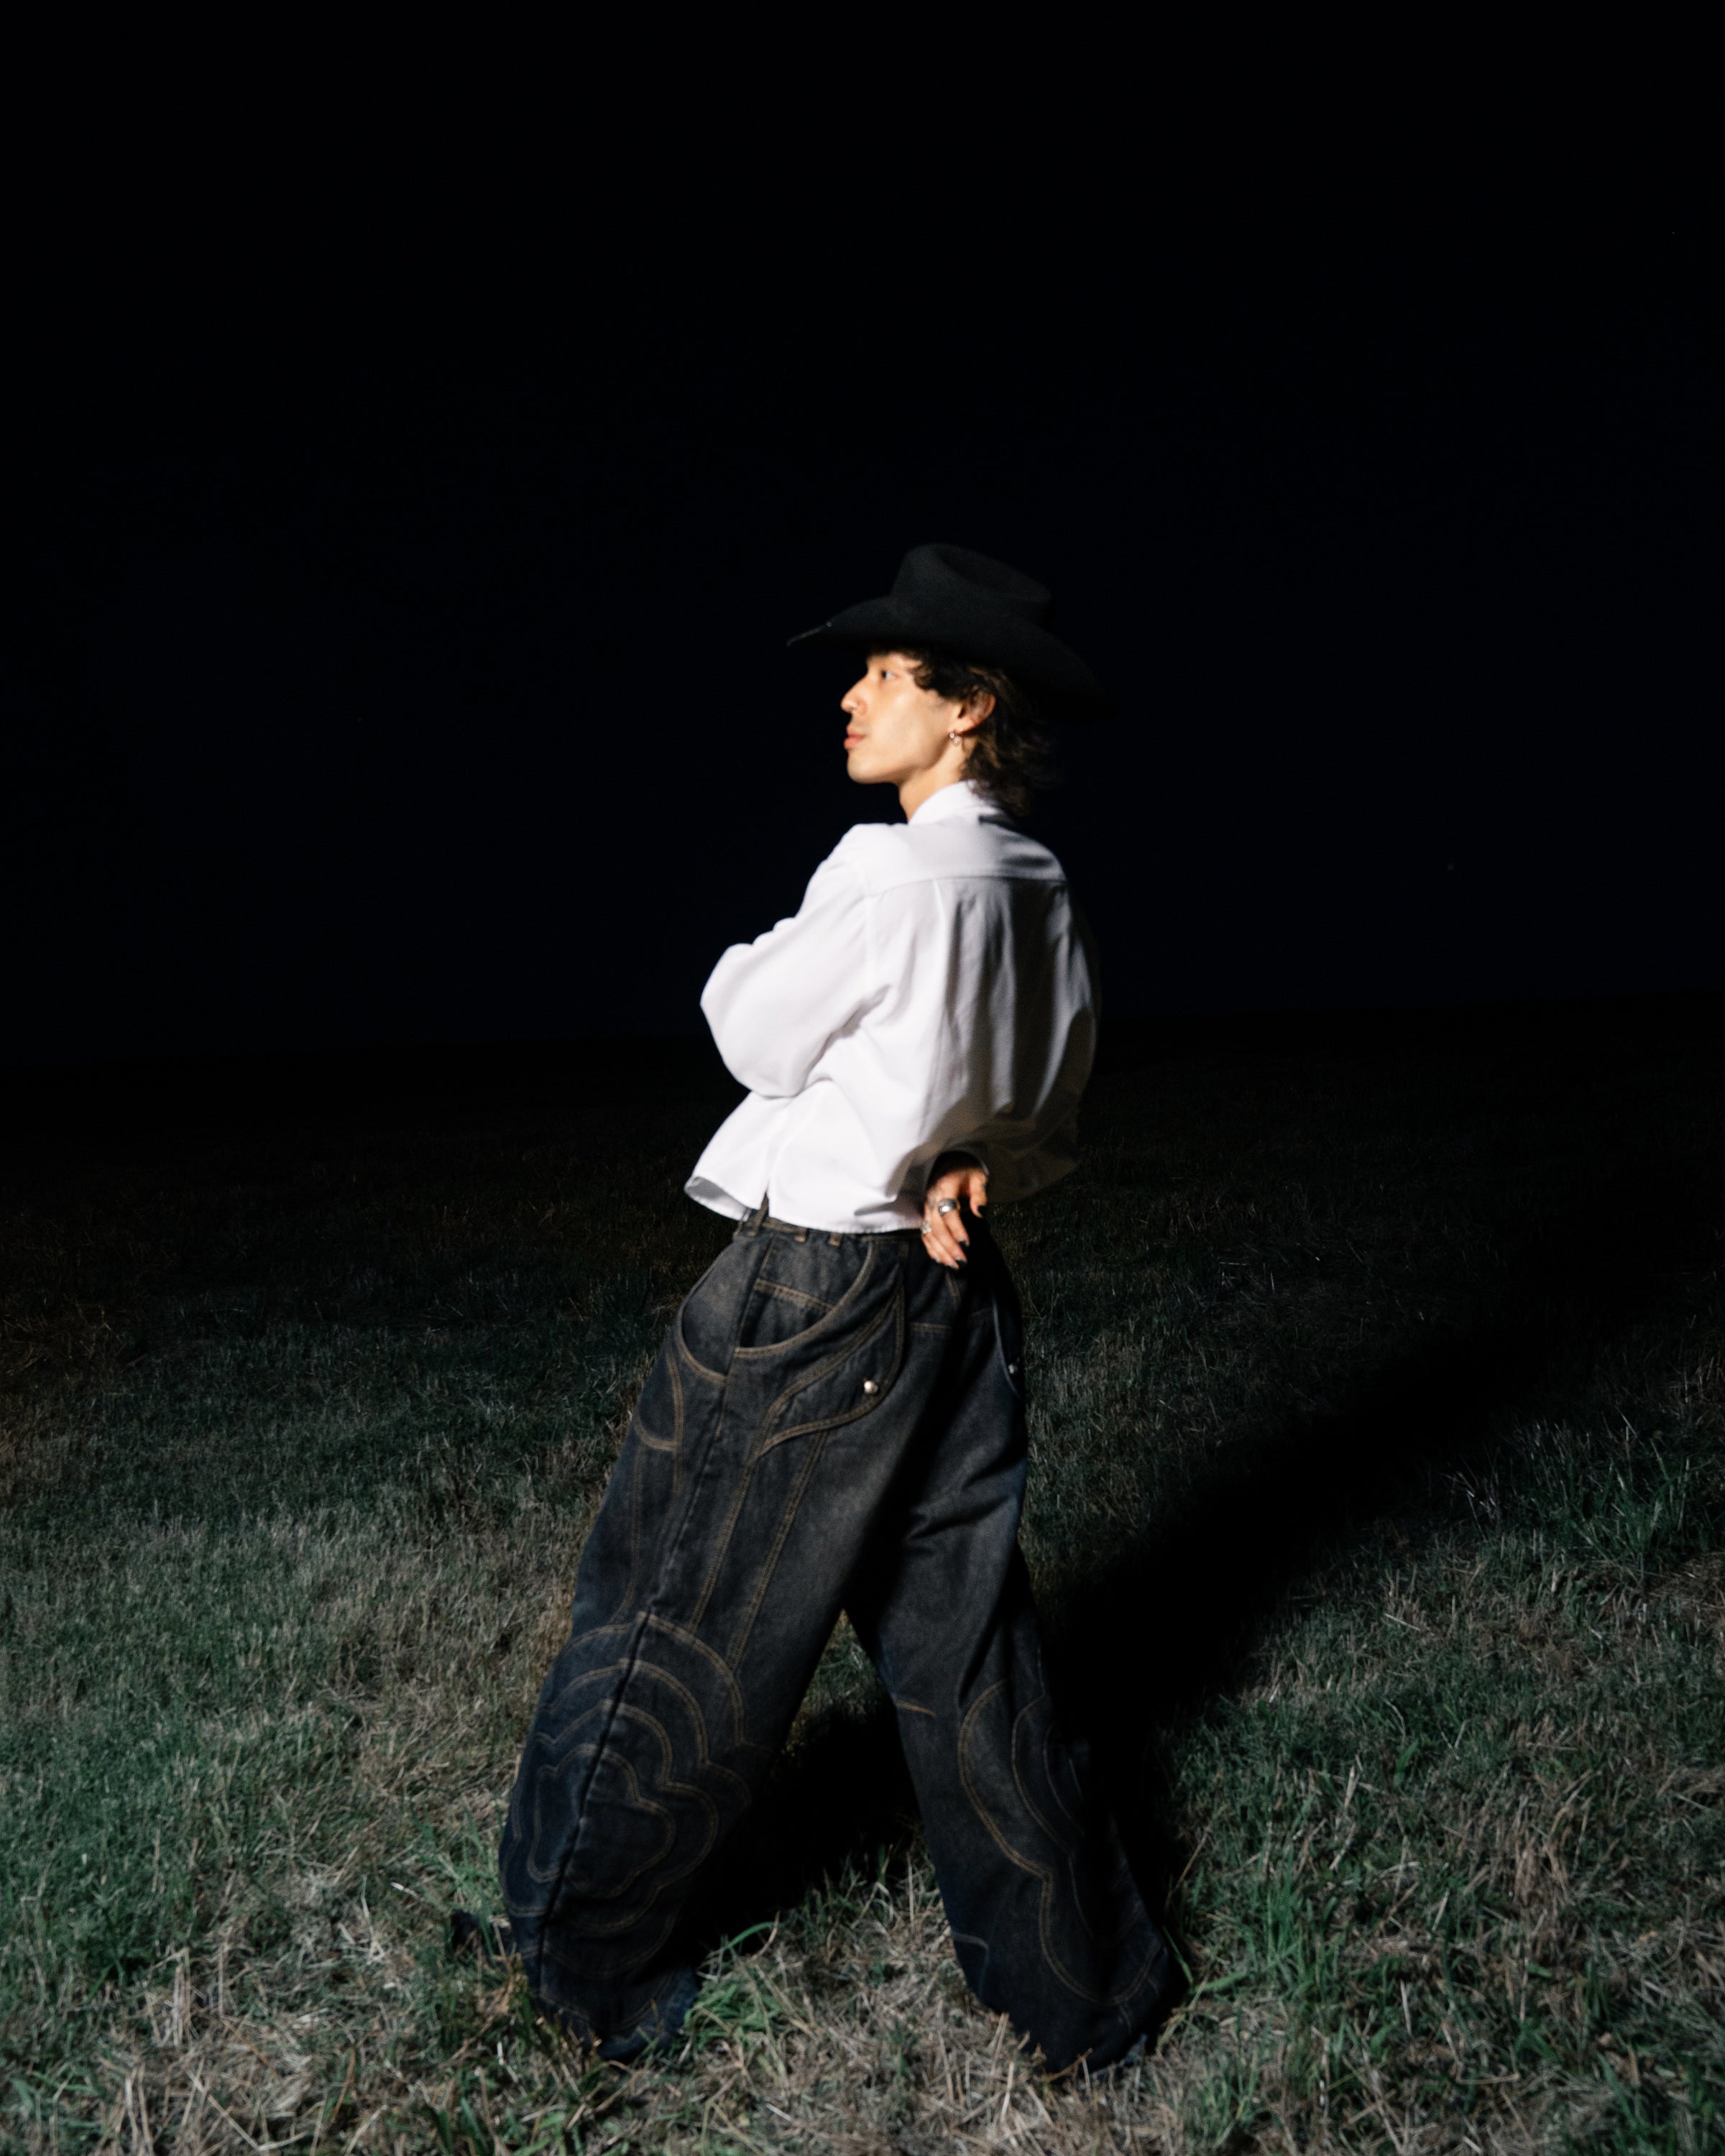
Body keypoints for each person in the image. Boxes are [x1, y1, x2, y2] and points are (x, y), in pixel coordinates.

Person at [477, 543, 1172, 2072]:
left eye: (884, 674)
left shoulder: (888, 869)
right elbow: (1041, 1117)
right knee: (970, 1645)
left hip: (812, 1294)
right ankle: (1086, 1997)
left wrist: (762, 967)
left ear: (969, 706)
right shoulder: (1039, 885)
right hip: (951, 1289)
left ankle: (577, 1961)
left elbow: (752, 1028)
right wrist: (960, 1165)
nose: (851, 697)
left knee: (677, 1619)